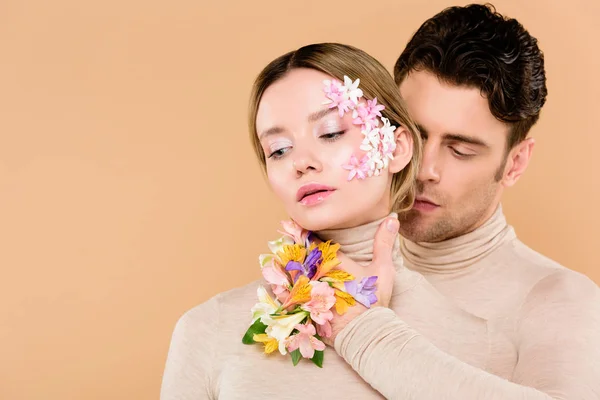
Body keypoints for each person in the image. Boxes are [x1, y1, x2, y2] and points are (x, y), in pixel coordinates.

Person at [325, 3, 600, 399]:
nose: (424, 170)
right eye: (412, 135)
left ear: (515, 162)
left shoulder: (559, 299)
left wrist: (362, 331)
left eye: (461, 150)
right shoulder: (325, 269)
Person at [160, 42, 424, 399]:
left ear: (398, 147)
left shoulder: (474, 331)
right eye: (279, 150)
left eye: (331, 132)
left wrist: (370, 334)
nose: (301, 161)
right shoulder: (209, 329)